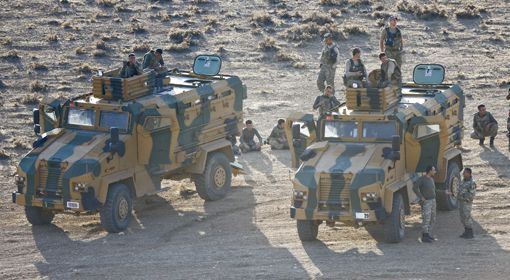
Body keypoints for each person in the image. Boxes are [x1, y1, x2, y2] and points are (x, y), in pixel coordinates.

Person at [412, 165, 437, 243]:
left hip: (433, 201)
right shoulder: (422, 179)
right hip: (427, 202)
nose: (435, 171)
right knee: (426, 218)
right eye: (433, 170)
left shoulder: (431, 179)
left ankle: (428, 234)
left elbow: (433, 190)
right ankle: (424, 236)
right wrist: (421, 197)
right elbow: (415, 187)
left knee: (433, 218)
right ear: (429, 171)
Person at [457, 168, 477, 239]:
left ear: (469, 173)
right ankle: (466, 231)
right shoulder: (463, 181)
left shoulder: (472, 183)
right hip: (461, 202)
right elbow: (460, 190)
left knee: (467, 217)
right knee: (462, 218)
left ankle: (470, 233)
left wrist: (464, 198)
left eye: (464, 173)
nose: (463, 174)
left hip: (466, 203)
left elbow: (471, 195)